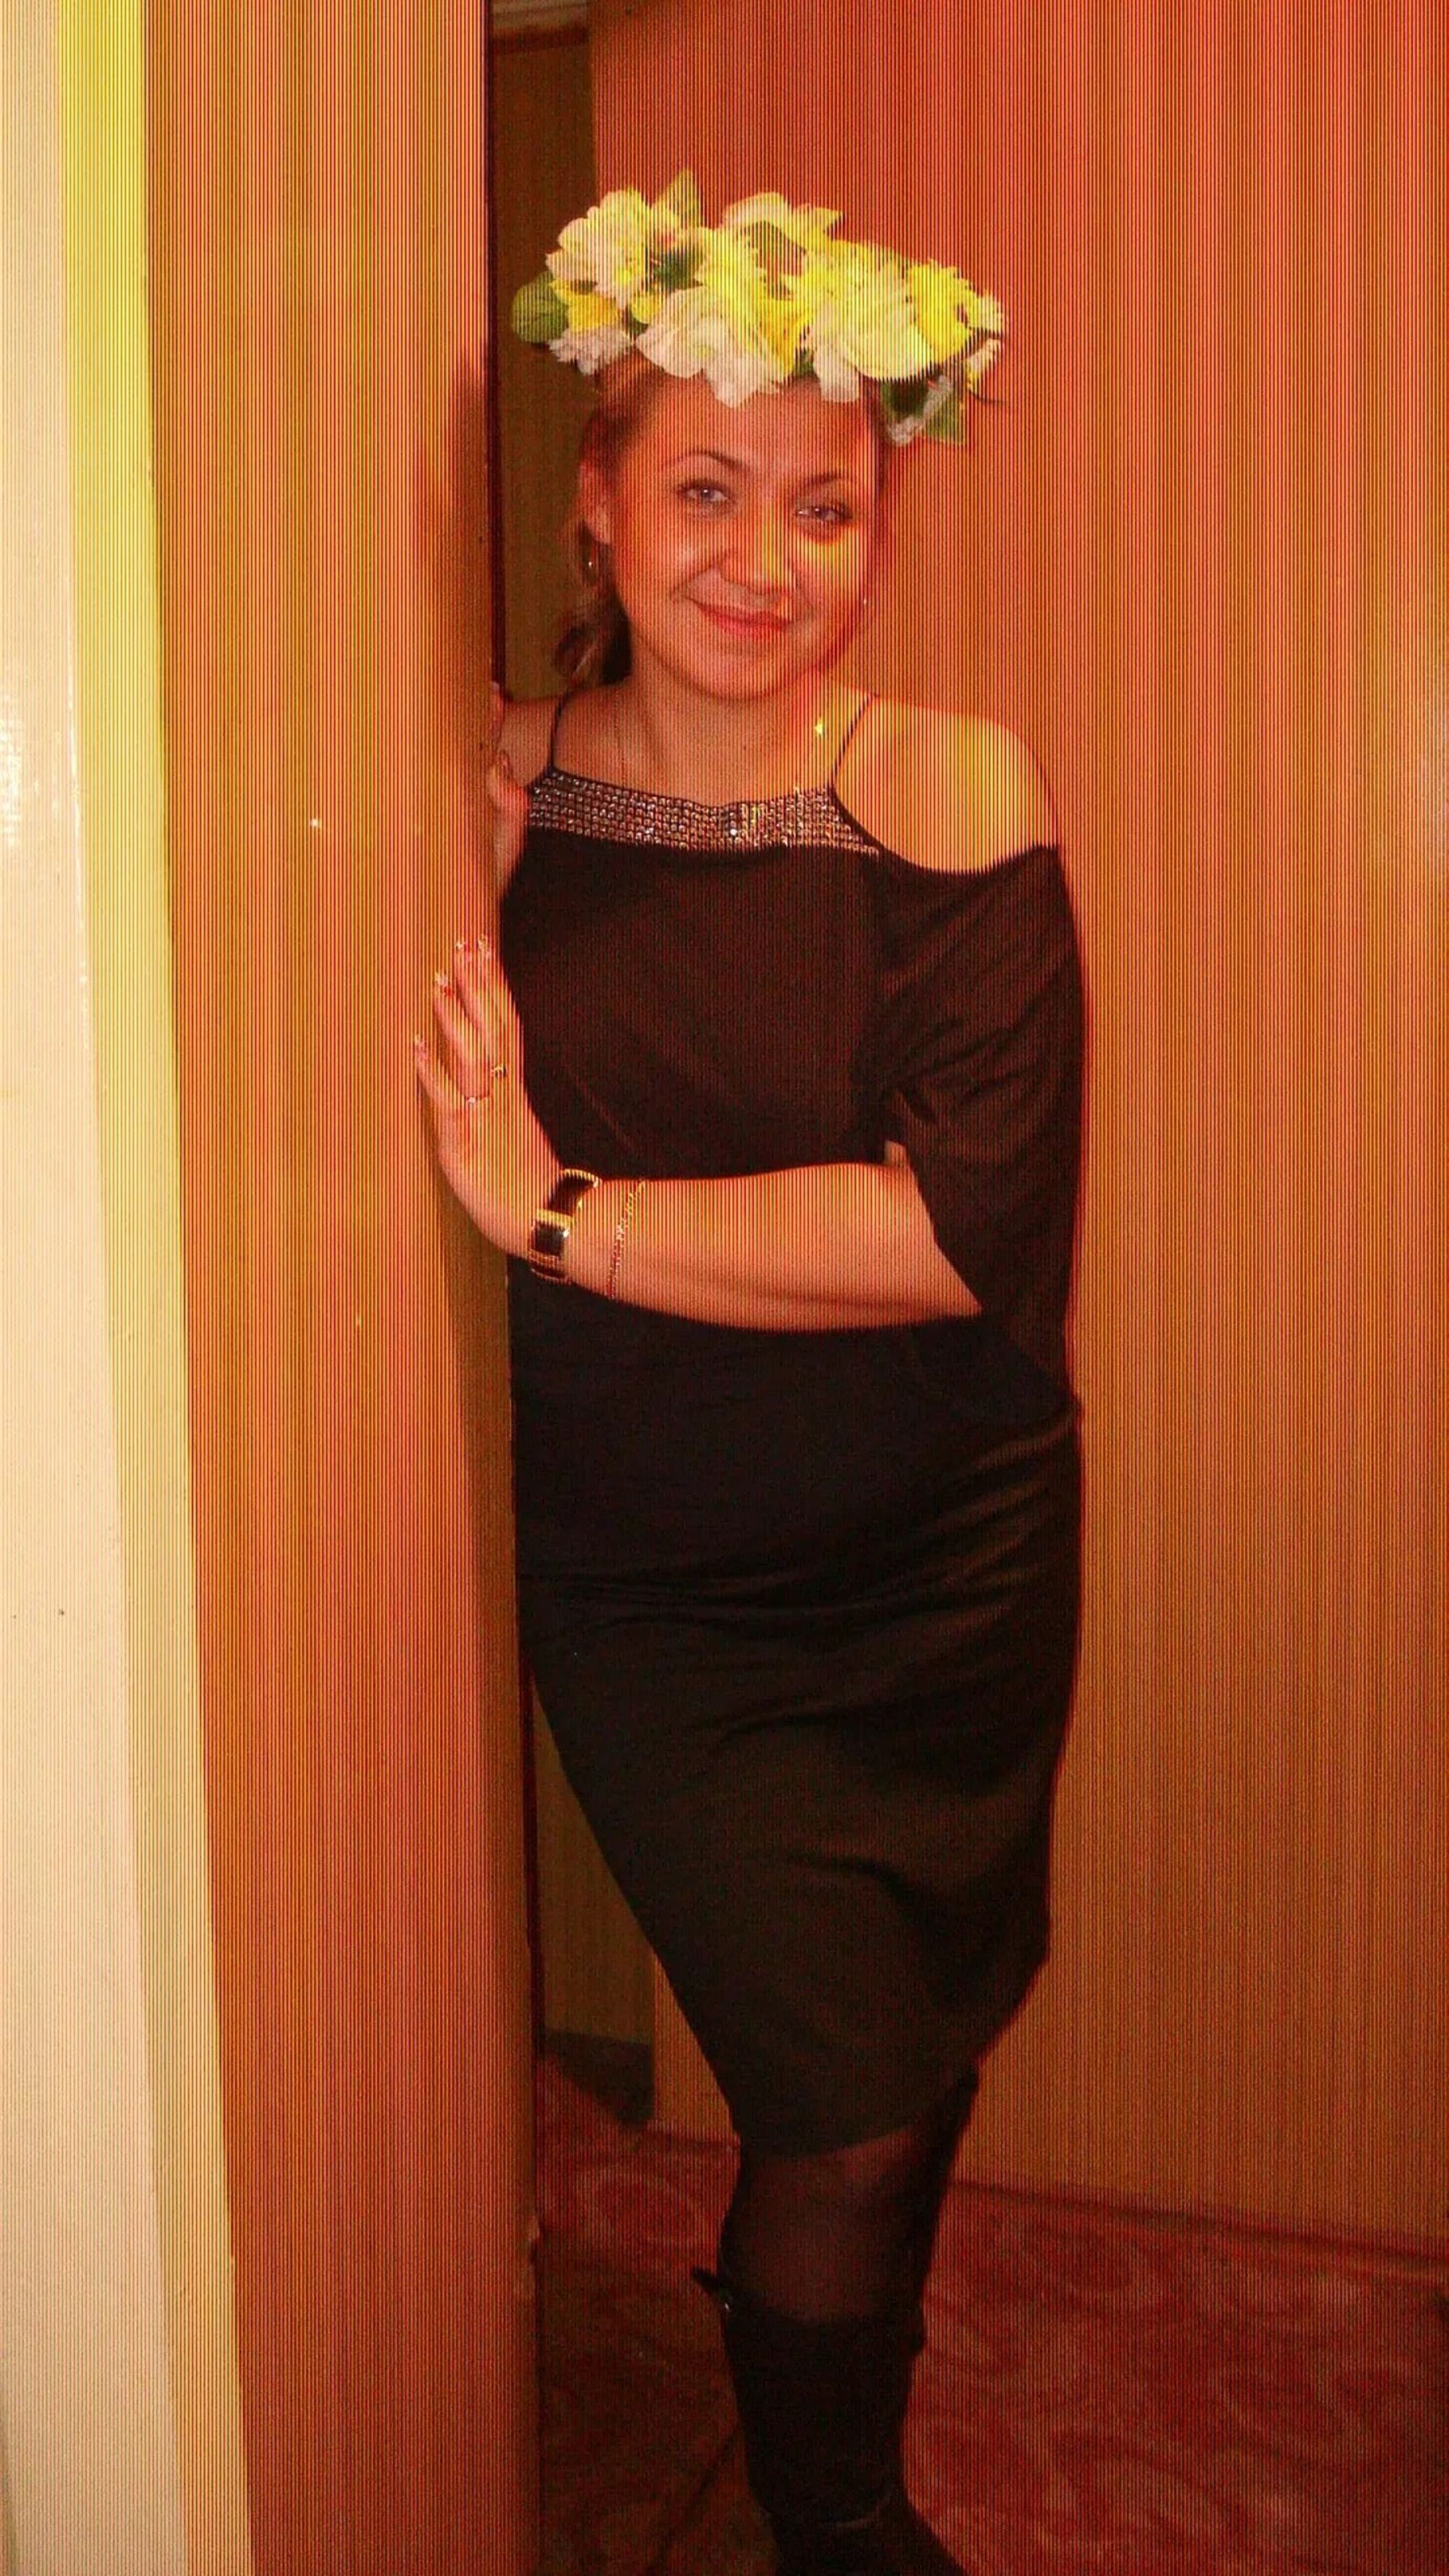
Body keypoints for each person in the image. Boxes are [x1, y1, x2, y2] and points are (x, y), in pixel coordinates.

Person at [413, 174, 1086, 2576]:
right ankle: (836, 2514)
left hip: (948, 1558)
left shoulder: (958, 786)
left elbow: (955, 1230)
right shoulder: (477, 790)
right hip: (669, 1607)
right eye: (706, 490)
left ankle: (816, 2393)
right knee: (843, 2092)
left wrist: (560, 1211)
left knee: (914, 2043)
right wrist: (475, 867)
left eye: (824, 507)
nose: (765, 561)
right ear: (595, 504)